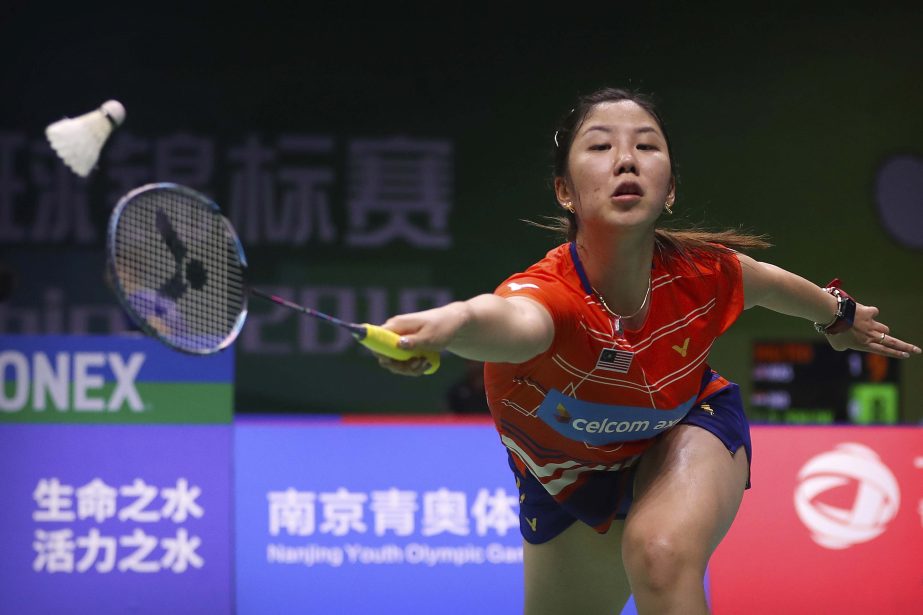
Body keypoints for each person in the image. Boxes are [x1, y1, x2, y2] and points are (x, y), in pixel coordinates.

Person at [374, 87, 920, 615]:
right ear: (565, 191)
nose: (626, 160)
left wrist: (839, 316)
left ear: (671, 189)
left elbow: (772, 285)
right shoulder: (551, 295)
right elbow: (503, 320)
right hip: (568, 473)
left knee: (660, 555)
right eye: (600, 146)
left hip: (684, 426)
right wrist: (443, 326)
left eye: (646, 145)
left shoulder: (703, 272)